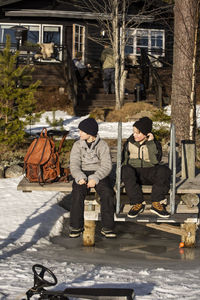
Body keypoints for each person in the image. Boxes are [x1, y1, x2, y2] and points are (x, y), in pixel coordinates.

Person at [69, 117, 116, 238]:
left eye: (81, 131)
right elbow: (74, 164)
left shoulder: (102, 145)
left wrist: (95, 178)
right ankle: (76, 226)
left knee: (107, 193)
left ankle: (107, 227)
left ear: (89, 133)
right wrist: (79, 177)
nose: (79, 133)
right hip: (82, 172)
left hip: (99, 173)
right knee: (77, 192)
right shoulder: (77, 145)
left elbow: (106, 165)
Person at [121, 116, 171, 218]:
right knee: (125, 169)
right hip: (134, 173)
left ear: (146, 133)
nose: (134, 135)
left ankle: (156, 203)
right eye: (134, 132)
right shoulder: (129, 142)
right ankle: (137, 203)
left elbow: (155, 161)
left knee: (164, 170)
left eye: (137, 133)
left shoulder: (154, 143)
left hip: (150, 172)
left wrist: (150, 143)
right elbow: (124, 160)